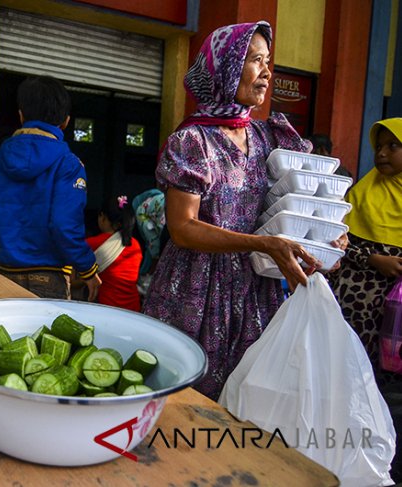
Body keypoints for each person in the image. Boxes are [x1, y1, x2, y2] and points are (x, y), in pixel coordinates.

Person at [141, 21, 330, 400]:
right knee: (186, 396)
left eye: (268, 61)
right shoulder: (193, 141)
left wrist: (325, 233)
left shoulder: (267, 137)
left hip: (255, 290)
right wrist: (261, 244)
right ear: (226, 67)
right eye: (255, 60)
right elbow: (182, 228)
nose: (267, 71)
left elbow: (295, 200)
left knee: (247, 398)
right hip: (195, 289)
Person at [0, 75, 101, 300]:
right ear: (66, 121)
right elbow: (64, 226)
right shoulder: (69, 164)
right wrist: (88, 269)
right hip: (50, 279)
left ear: (21, 115)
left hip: (5, 274)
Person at [329, 118, 402, 384]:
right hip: (355, 309)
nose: (381, 153)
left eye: (393, 146)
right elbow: (337, 243)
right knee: (347, 377)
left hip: (395, 320)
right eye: (379, 146)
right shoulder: (361, 193)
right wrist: (373, 259)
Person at [85, 195, 142, 311]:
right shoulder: (135, 244)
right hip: (134, 308)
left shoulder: (92, 243)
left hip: (108, 308)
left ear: (103, 217)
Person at [131, 188, 166, 295]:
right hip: (143, 213)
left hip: (157, 214)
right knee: (154, 248)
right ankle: (145, 277)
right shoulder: (163, 222)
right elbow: (155, 247)